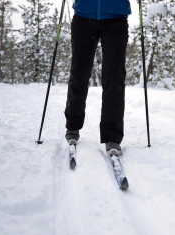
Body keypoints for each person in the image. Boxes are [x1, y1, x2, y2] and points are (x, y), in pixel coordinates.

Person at [64, 0, 131, 156]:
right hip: (84, 16)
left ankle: (112, 135)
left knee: (115, 77)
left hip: (116, 17)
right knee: (79, 73)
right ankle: (73, 125)